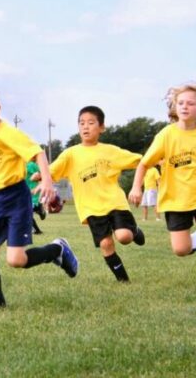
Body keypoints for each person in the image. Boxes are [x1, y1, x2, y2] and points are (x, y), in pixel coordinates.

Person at [0, 83, 78, 311]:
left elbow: (37, 152)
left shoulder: (8, 133)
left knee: (16, 260)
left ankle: (57, 250)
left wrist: (47, 180)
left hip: (15, 199)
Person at [129, 83, 196, 294]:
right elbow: (144, 163)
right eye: (180, 103)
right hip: (175, 199)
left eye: (190, 103)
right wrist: (136, 187)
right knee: (181, 249)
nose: (185, 107)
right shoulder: (166, 135)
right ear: (174, 107)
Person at [50, 106, 145, 283]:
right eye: (81, 123)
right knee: (106, 244)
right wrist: (40, 175)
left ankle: (135, 230)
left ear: (101, 127)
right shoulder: (70, 154)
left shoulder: (110, 151)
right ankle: (123, 280)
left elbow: (140, 161)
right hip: (91, 208)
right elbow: (52, 171)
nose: (85, 127)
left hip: (115, 202)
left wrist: (158, 158)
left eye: (91, 123)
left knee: (124, 237)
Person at [25, 160, 46, 235]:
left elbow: (43, 174)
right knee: (26, 212)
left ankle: (38, 208)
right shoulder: (19, 165)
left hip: (33, 192)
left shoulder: (30, 165)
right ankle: (37, 230)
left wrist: (38, 178)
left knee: (26, 212)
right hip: (24, 193)